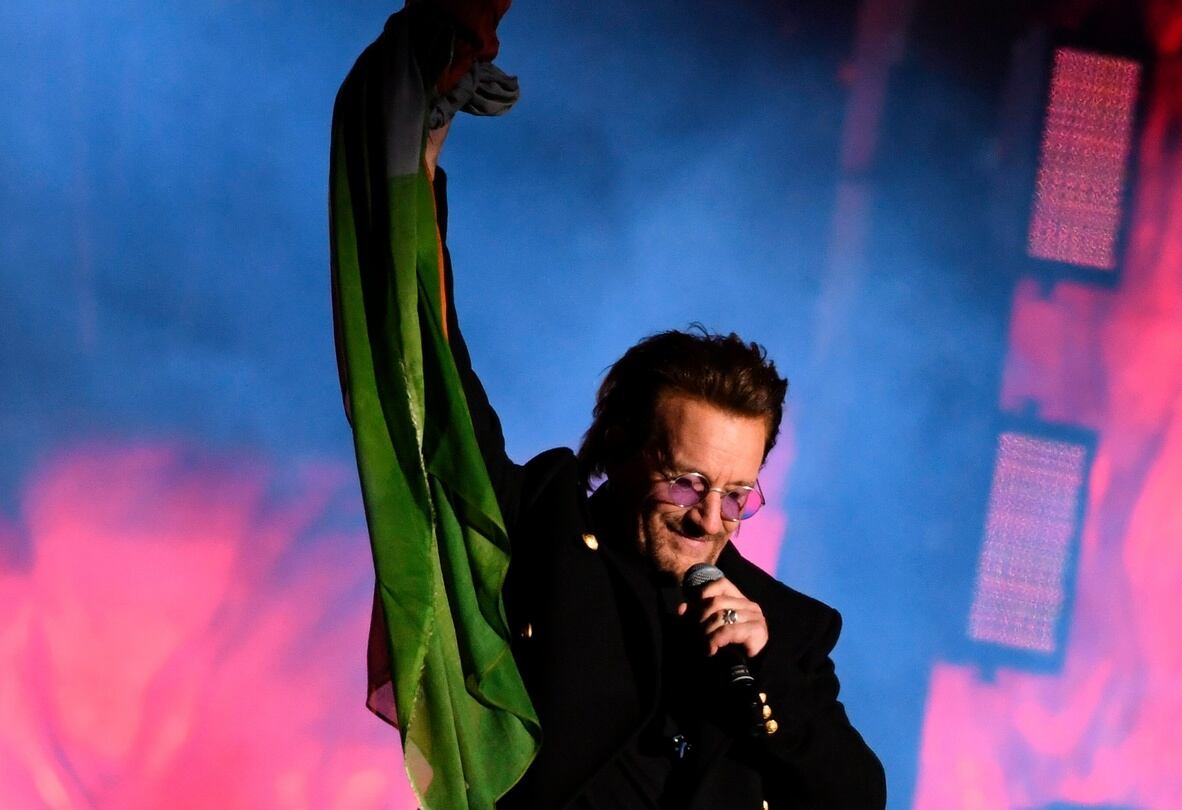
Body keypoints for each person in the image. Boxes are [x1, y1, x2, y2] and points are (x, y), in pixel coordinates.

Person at [333, 3, 885, 807]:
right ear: (620, 452)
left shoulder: (785, 632)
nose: (710, 519)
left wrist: (762, 672)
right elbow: (436, 391)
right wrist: (418, 161)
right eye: (687, 483)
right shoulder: (545, 530)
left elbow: (856, 797)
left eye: (737, 494)